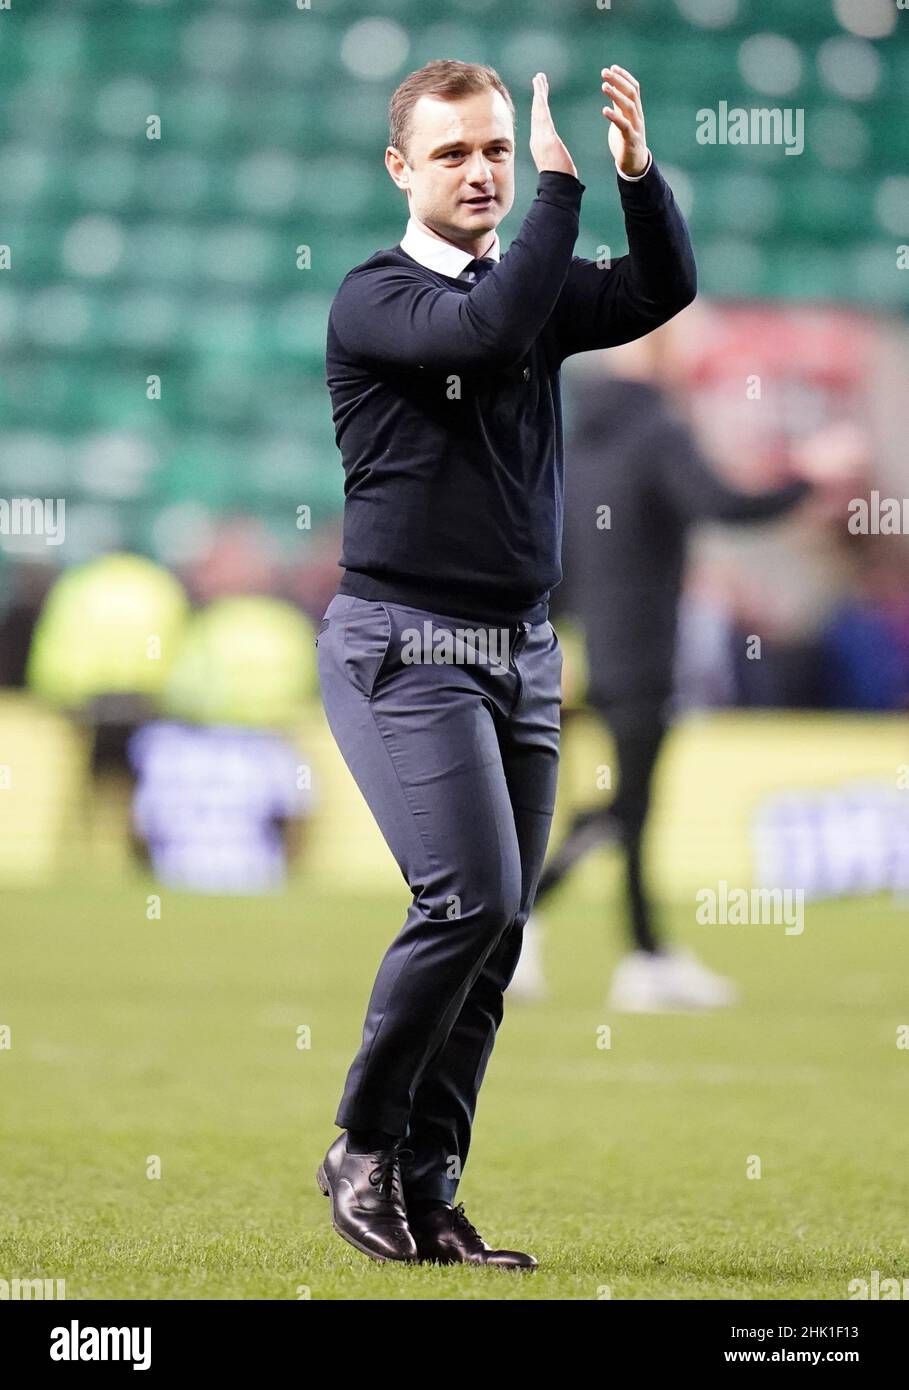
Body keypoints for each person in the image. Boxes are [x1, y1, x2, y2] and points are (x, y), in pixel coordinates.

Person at [315, 58, 696, 1267]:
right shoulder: (376, 297)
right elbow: (482, 333)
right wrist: (556, 190)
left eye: (493, 149)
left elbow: (661, 289)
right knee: (467, 899)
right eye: (453, 154)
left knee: (500, 930)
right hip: (405, 646)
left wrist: (635, 176)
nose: (480, 170)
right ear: (400, 170)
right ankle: (363, 1147)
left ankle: (429, 1189)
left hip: (523, 649)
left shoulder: (516, 288)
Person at [510, 348, 843, 1011]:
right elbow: (723, 505)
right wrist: (807, 476)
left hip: (578, 652)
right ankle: (527, 932)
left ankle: (641, 956)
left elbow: (555, 553)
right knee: (624, 809)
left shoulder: (573, 440)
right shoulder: (656, 432)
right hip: (639, 654)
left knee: (622, 810)